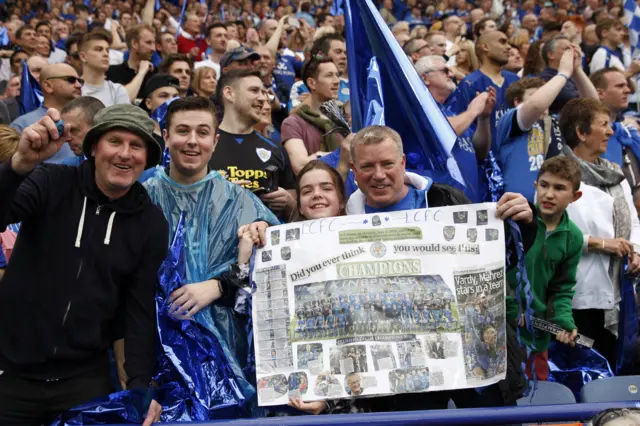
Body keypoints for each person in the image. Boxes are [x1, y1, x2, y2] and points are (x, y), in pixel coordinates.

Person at [345, 125, 535, 410]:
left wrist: (523, 221)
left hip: (470, 354)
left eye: (387, 164)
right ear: (354, 170)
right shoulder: (340, 224)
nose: (379, 174)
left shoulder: (446, 200)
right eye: (367, 166)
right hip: (401, 373)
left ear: (403, 163)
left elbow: (499, 257)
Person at [0, 104, 166, 425]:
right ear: (93, 147)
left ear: (147, 159)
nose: (125, 154)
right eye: (115, 141)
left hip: (83, 379)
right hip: (10, 373)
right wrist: (19, 165)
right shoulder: (50, 181)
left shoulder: (151, 222)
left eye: (137, 146)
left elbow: (139, 310)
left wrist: (140, 387)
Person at [142, 96, 279, 414]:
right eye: (183, 131)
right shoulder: (142, 199)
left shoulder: (242, 202)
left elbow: (276, 275)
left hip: (228, 359)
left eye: (202, 132)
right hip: (160, 358)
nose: (192, 141)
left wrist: (218, 285)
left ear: (215, 141)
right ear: (166, 136)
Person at [559, 98, 640, 371]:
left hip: (618, 291)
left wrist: (636, 250)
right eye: (603, 125)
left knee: (615, 364)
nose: (610, 131)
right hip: (578, 296)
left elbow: (633, 220)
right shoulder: (558, 174)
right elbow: (551, 234)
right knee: (585, 368)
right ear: (581, 132)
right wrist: (602, 244)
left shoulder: (615, 172)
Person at [507, 156, 584, 381]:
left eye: (559, 188)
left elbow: (562, 288)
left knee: (535, 401)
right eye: (544, 185)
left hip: (536, 337)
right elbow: (496, 273)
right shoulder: (516, 222)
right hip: (500, 331)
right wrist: (512, 311)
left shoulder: (574, 237)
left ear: (575, 196)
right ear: (535, 186)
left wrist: (564, 322)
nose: (549, 194)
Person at [495, 49, 583, 202]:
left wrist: (578, 71)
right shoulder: (508, 121)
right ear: (517, 102)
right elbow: (535, 105)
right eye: (537, 94)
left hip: (554, 207)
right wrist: (562, 74)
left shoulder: (554, 122)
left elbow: (593, 107)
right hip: (519, 211)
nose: (545, 101)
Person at [210, 69, 297, 218]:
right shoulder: (204, 146)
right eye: (254, 90)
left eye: (264, 92)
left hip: (268, 238)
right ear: (229, 93)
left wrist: (289, 201)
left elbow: (294, 207)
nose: (263, 98)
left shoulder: (275, 149)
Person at [416, 55, 494, 202]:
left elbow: (480, 152)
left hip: (469, 202)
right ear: (425, 78)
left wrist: (483, 118)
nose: (451, 74)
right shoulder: (418, 111)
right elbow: (442, 135)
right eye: (445, 70)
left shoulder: (452, 113)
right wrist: (473, 110)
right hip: (441, 205)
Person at [452, 31, 520, 146]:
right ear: (485, 47)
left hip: (516, 156)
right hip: (486, 159)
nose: (508, 47)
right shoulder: (469, 84)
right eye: (502, 42)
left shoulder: (515, 79)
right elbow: (463, 128)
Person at [282, 57, 344, 175]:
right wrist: (339, 155)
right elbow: (300, 165)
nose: (336, 81)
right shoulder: (293, 123)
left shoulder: (342, 119)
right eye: (329, 75)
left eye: (337, 75)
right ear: (312, 83)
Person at [11, 63, 82, 164]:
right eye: (71, 80)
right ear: (48, 86)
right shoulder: (22, 124)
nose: (79, 85)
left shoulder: (87, 118)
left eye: (80, 81)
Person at [590, 68, 640, 197]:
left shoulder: (628, 130)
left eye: (627, 85)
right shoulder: (589, 135)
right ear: (600, 93)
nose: (628, 90)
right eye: (620, 86)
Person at [538, 36, 599, 116]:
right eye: (567, 49)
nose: (574, 52)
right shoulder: (545, 78)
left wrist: (578, 69)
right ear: (551, 55)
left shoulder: (572, 76)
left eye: (574, 48)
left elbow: (594, 102)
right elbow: (580, 101)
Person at [79, 30, 131, 107]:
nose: (106, 54)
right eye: (99, 49)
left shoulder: (117, 90)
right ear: (83, 57)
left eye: (107, 50)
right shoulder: (74, 89)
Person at [106, 24, 156, 101]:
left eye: (154, 43)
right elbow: (122, 100)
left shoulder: (156, 74)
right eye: (148, 43)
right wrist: (142, 72)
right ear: (134, 44)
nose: (153, 48)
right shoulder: (112, 72)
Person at [60, 96, 106, 166]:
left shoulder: (122, 167)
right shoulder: (66, 167)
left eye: (73, 130)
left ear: (96, 127)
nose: (67, 138)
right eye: (66, 131)